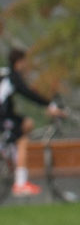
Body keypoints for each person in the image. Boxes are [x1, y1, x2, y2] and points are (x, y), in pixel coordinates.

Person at [0, 48, 65, 197]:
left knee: (27, 123)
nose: (27, 64)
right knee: (22, 139)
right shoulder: (13, 77)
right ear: (19, 62)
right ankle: (21, 183)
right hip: (2, 116)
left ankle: (11, 153)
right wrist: (49, 104)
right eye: (25, 61)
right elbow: (28, 93)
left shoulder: (7, 75)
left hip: (5, 114)